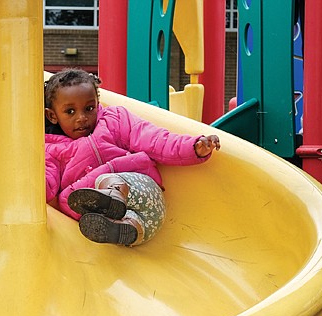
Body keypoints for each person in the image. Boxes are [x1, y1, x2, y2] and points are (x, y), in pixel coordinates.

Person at [44, 68, 220, 246]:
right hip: (109, 214)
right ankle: (115, 224)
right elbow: (44, 183)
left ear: (97, 103)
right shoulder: (50, 149)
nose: (82, 117)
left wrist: (193, 146)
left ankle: (119, 210)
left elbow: (155, 139)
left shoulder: (115, 120)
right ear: (52, 115)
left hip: (141, 192)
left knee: (119, 187)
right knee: (85, 194)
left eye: (89, 108)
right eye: (70, 112)